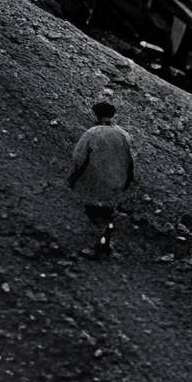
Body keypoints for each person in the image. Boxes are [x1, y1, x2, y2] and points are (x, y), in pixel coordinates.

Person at [68, 90, 138, 260]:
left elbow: (79, 158)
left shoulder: (92, 133)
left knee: (96, 213)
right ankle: (106, 244)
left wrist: (74, 177)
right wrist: (128, 179)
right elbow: (131, 159)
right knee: (108, 212)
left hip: (97, 181)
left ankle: (97, 247)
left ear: (97, 115)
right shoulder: (124, 135)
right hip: (118, 181)